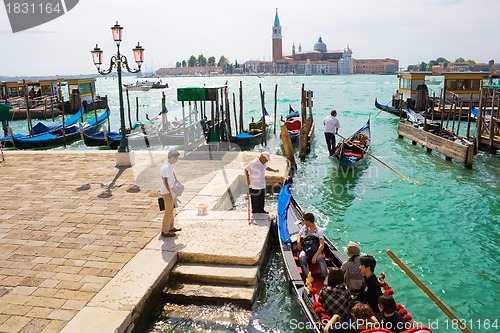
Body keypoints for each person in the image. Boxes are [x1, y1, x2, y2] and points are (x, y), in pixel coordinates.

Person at [296, 213, 328, 281]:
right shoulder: (304, 228)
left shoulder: (319, 231)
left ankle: (325, 276)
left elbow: (322, 245)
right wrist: (298, 242)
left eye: (304, 221)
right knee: (301, 257)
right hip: (306, 249)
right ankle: (308, 276)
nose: (303, 222)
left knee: (320, 258)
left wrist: (315, 256)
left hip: (315, 250)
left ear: (308, 221)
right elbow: (299, 235)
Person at [159, 150, 182, 237]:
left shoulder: (169, 166)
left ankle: (171, 227)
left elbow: (171, 177)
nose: (177, 160)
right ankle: (165, 231)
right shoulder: (166, 167)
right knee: (168, 212)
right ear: (172, 158)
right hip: (167, 192)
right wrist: (171, 192)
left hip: (169, 191)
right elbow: (165, 181)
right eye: (176, 158)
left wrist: (177, 182)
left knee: (171, 210)